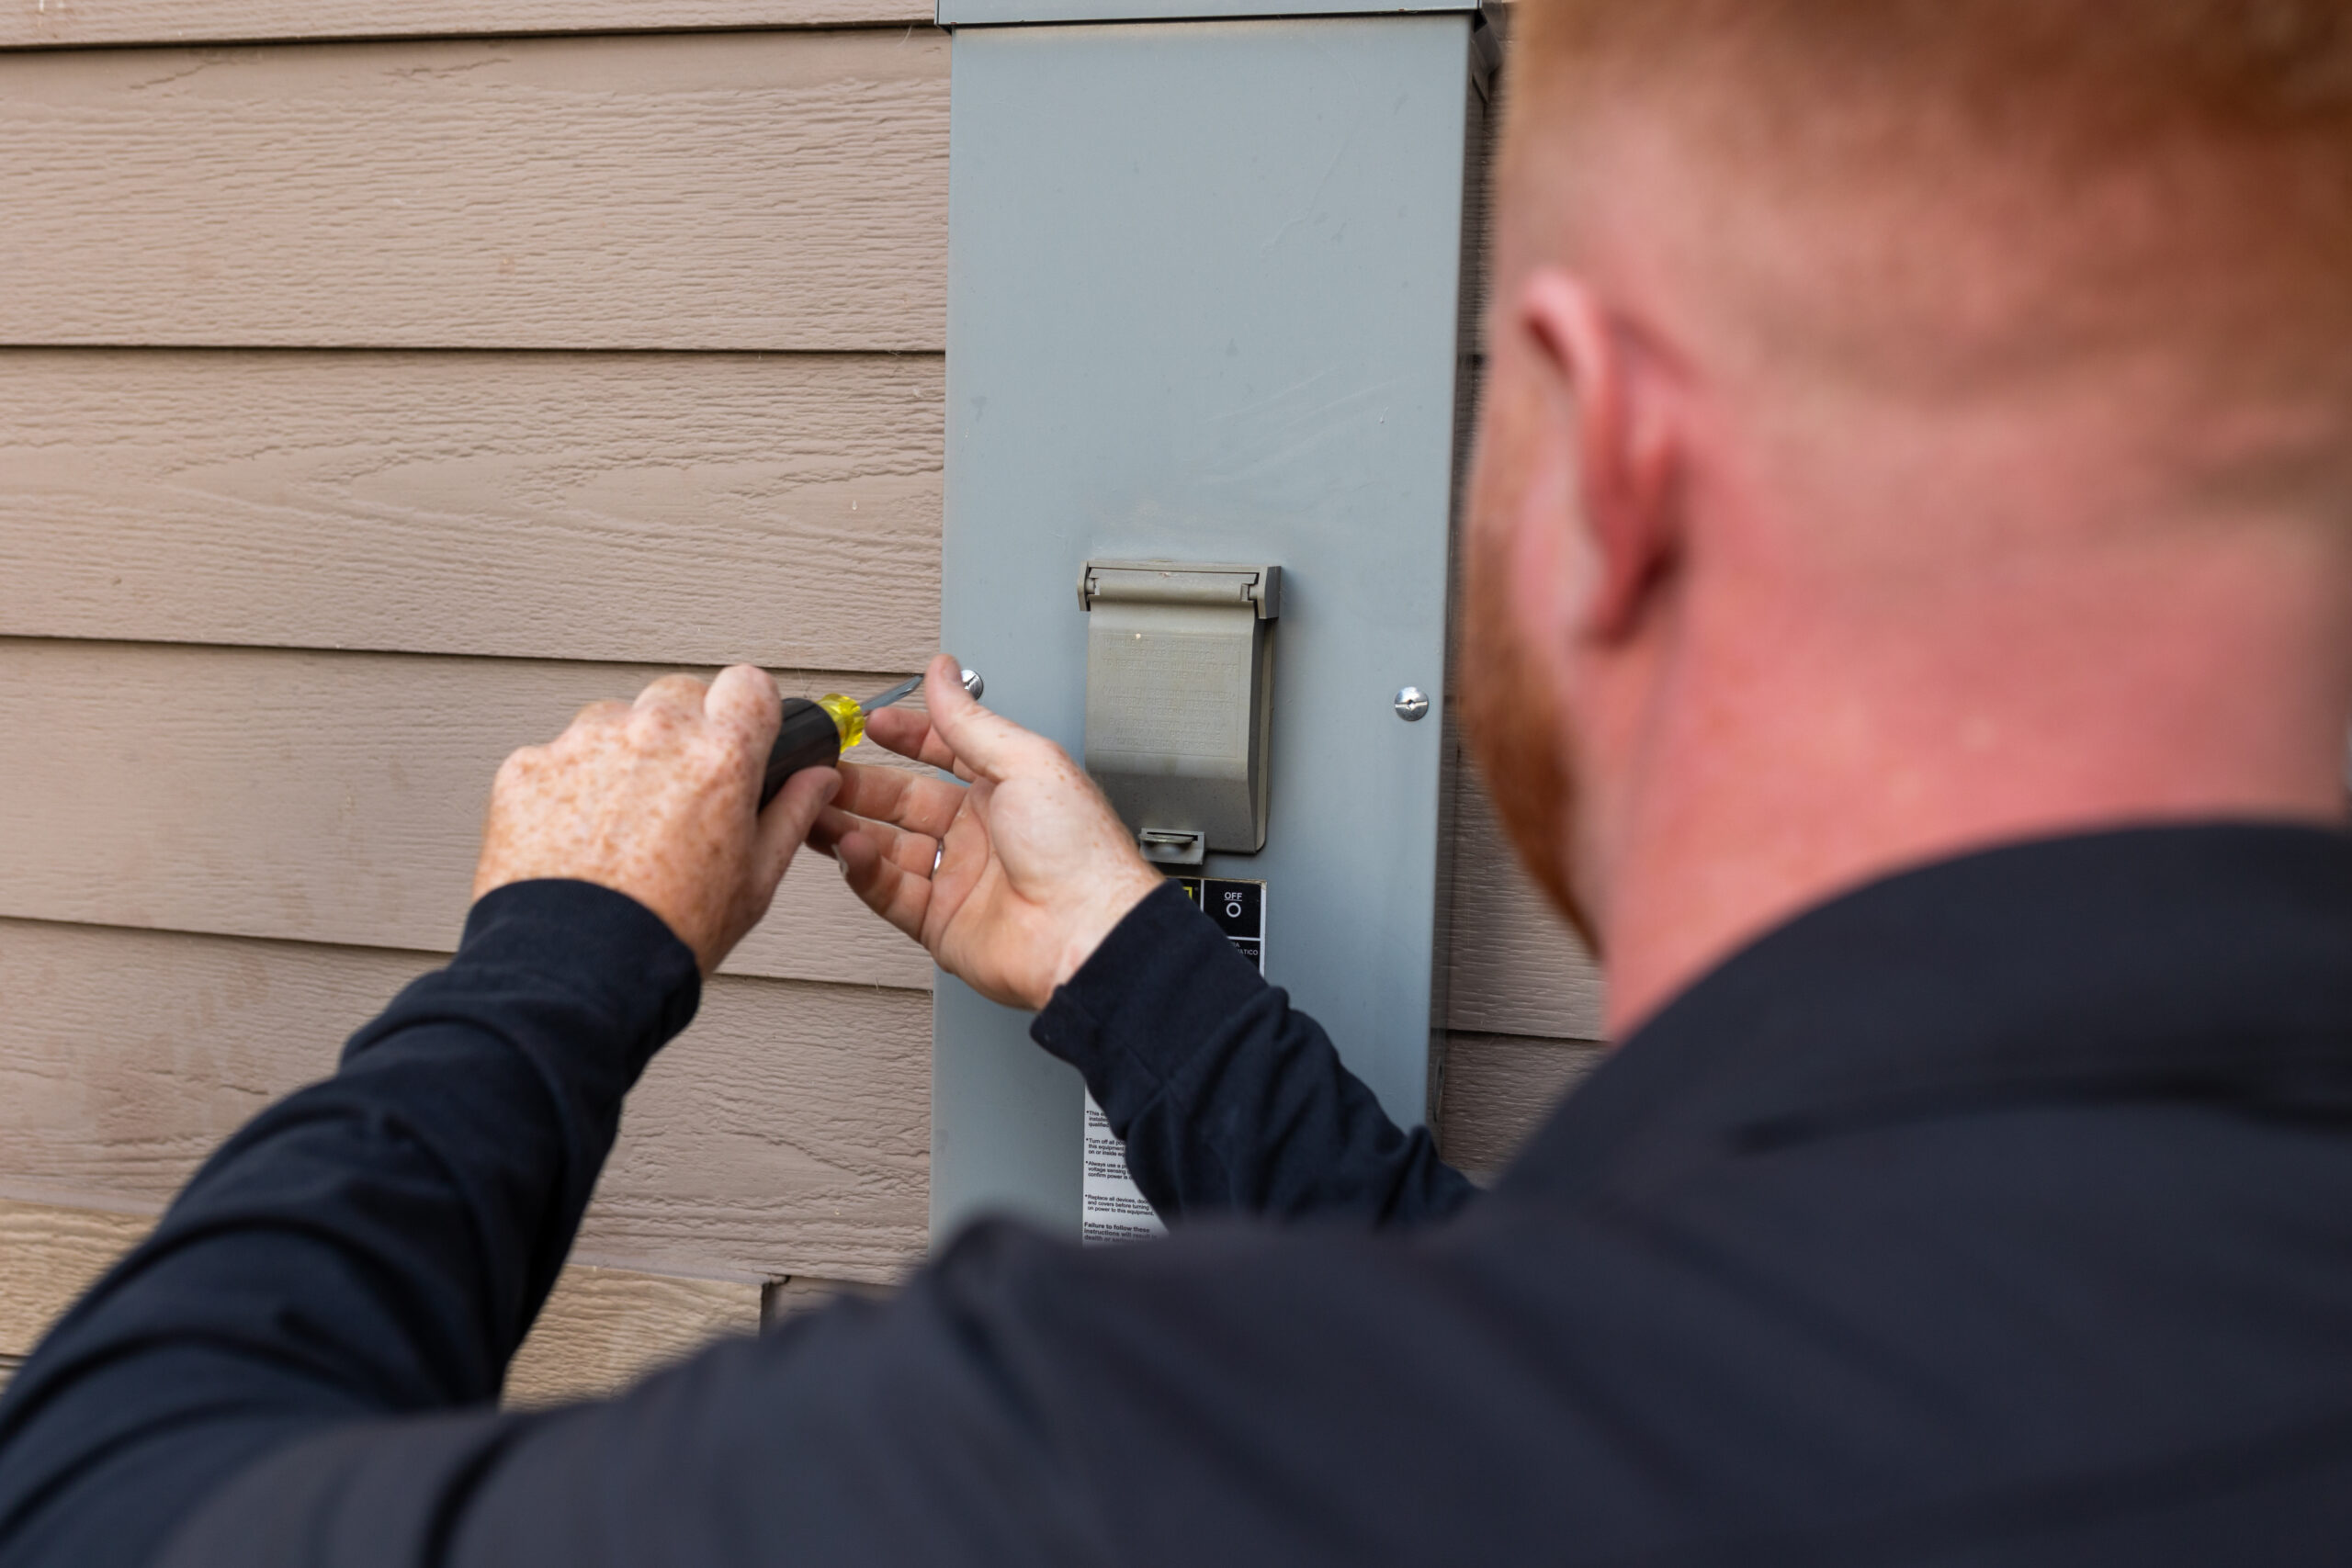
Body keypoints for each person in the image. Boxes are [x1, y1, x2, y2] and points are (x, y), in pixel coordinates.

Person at [6, 0, 2352, 1561]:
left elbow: (107, 1493)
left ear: (1601, 464)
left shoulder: (1074, 1466)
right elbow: (1564, 1351)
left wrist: (558, 957)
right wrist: (1133, 972)